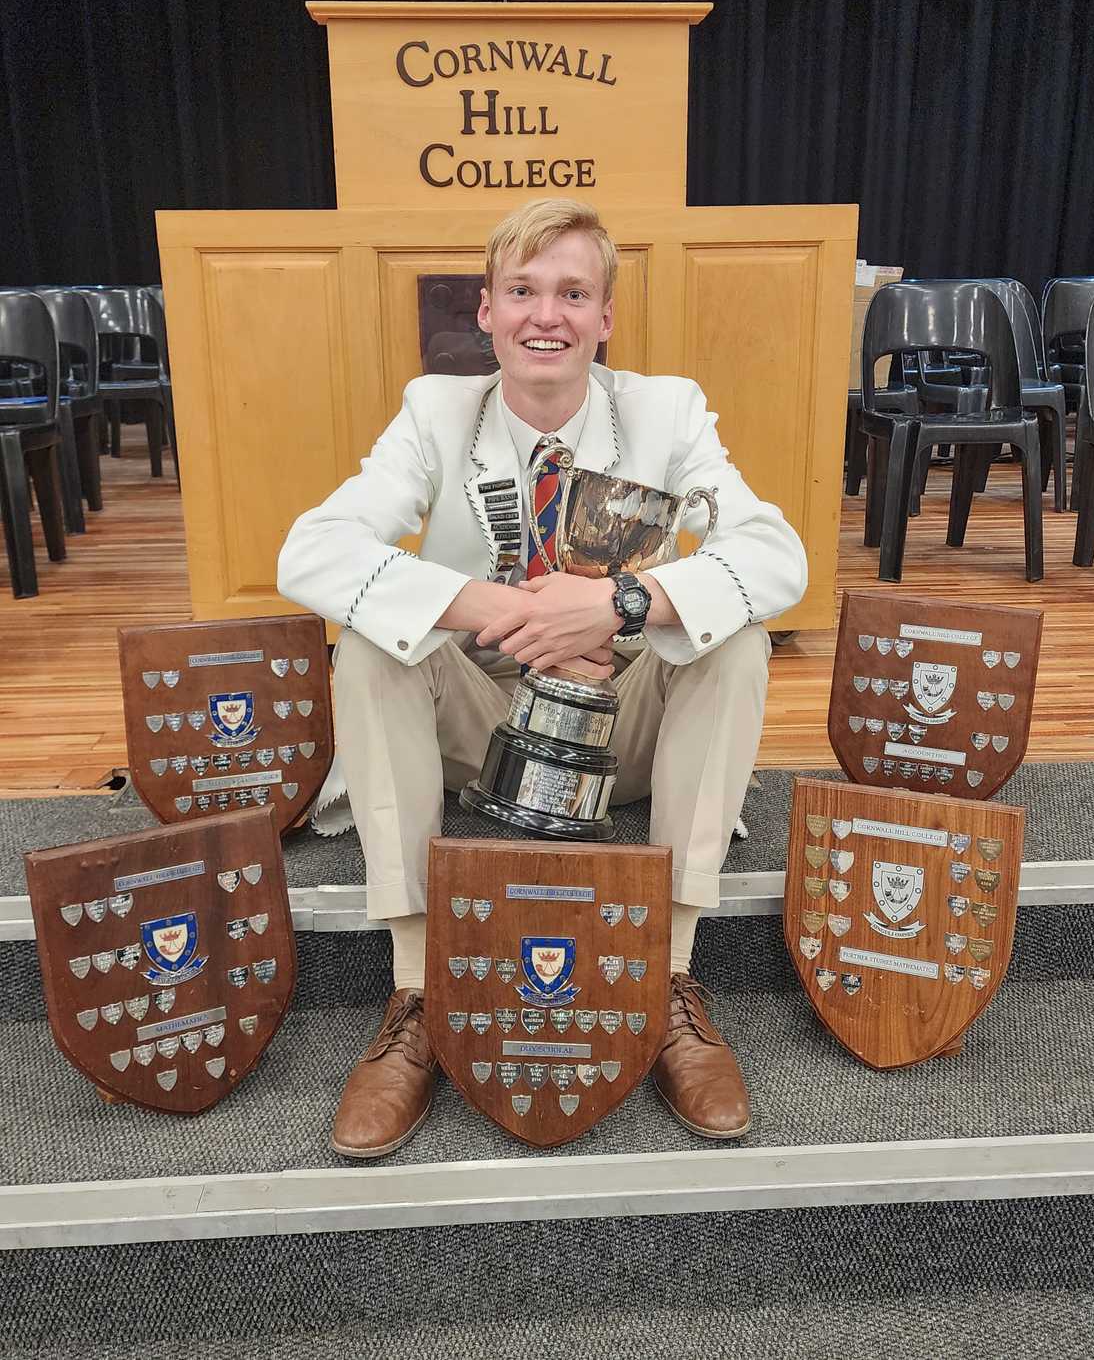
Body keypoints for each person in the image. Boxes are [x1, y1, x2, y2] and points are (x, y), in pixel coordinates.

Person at [277, 198, 807, 1157]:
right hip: (484, 720)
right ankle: (415, 991)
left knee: (737, 637)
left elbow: (777, 556)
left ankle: (674, 977)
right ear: (486, 311)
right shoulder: (436, 410)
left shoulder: (668, 408)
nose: (545, 315)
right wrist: (488, 607)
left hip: (620, 719)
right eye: (521, 290)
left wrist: (619, 607)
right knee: (367, 640)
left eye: (573, 292)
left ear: (606, 317)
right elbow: (311, 551)